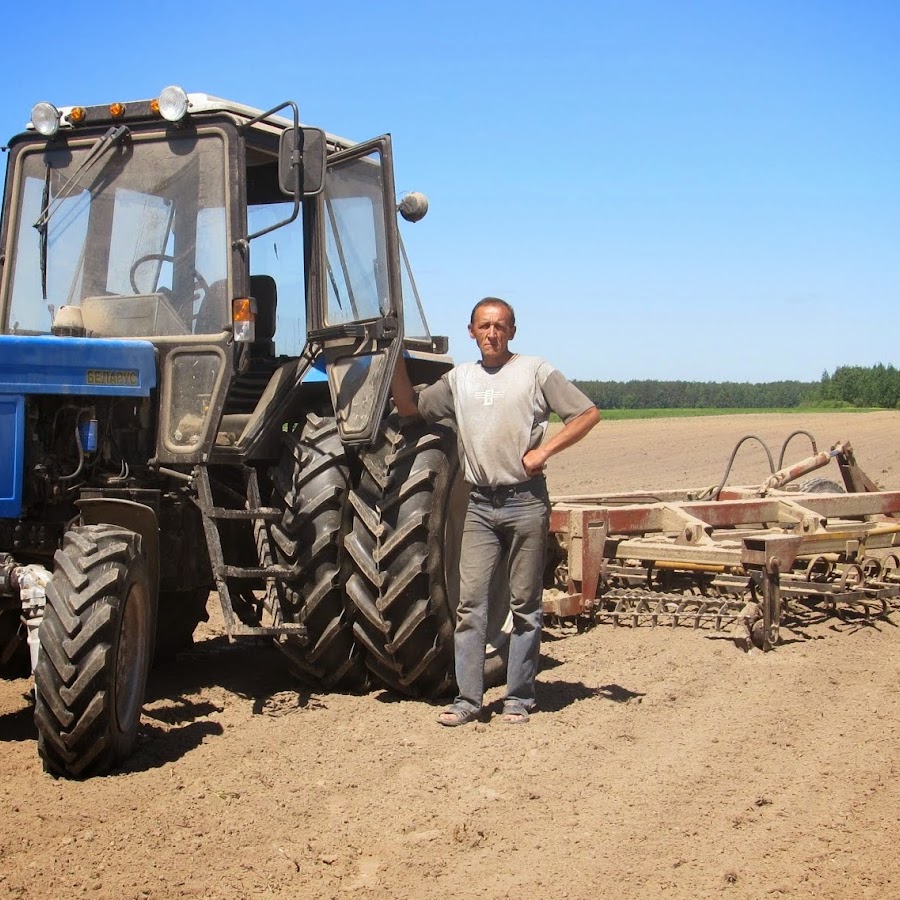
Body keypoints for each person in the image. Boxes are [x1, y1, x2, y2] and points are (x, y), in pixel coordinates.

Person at [392, 296, 600, 726]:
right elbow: (411, 409)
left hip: (525, 502)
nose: (492, 333)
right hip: (480, 506)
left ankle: (518, 698)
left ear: (512, 331)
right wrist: (392, 356)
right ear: (472, 332)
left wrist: (544, 451)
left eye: (500, 326)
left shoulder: (535, 371)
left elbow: (586, 413)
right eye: (484, 326)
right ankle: (468, 700)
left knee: (525, 606)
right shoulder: (458, 380)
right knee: (470, 606)